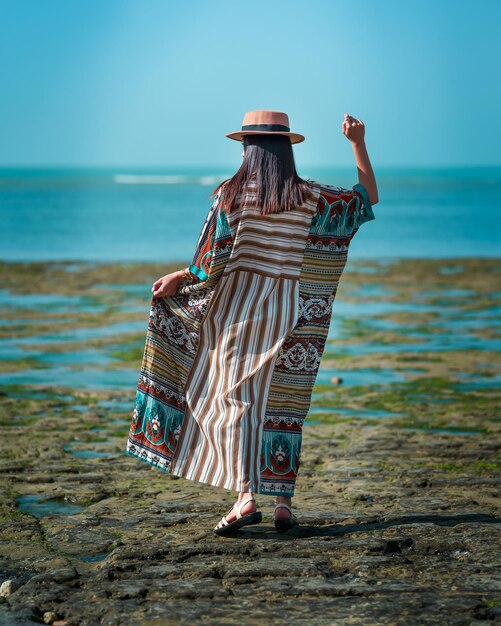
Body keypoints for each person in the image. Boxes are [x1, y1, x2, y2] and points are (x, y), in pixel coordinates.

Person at [126, 109, 378, 535]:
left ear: (248, 148)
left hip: (240, 313)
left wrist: (180, 278)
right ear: (285, 149)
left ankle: (244, 499)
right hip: (299, 313)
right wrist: (357, 142)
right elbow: (366, 198)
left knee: (235, 402)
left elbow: (208, 262)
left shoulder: (231, 195)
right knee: (284, 405)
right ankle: (282, 506)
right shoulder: (314, 198)